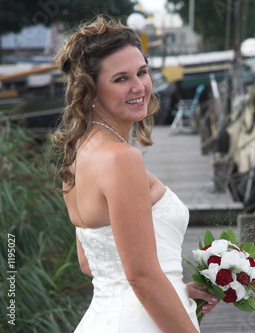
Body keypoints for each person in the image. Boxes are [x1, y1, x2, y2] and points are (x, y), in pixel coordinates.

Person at [51, 16, 219, 332]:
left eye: (142, 72)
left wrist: (179, 291)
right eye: (121, 79)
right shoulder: (121, 159)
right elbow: (140, 277)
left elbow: (91, 263)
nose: (139, 86)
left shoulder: (76, 151)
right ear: (91, 89)